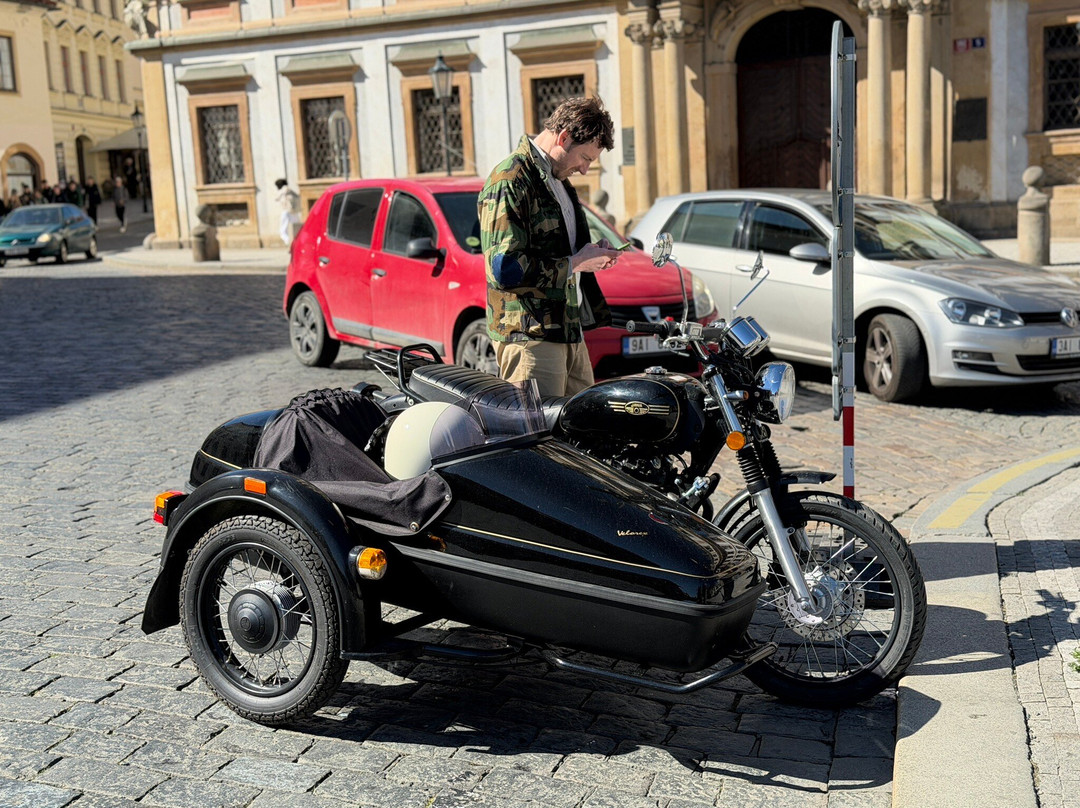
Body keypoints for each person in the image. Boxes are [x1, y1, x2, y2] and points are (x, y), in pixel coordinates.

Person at [478, 96, 620, 397]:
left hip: (568, 329)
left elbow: (562, 251)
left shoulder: (558, 180)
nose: (584, 169)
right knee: (539, 437)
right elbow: (504, 269)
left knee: (582, 435)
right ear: (563, 137)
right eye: (585, 158)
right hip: (530, 335)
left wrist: (590, 254)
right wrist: (575, 263)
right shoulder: (511, 179)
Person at [274, 178, 301, 247]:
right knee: (296, 229)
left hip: (286, 211)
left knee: (283, 231)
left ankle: (289, 242)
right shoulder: (291, 191)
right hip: (295, 211)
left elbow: (276, 198)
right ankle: (296, 242)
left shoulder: (282, 191)